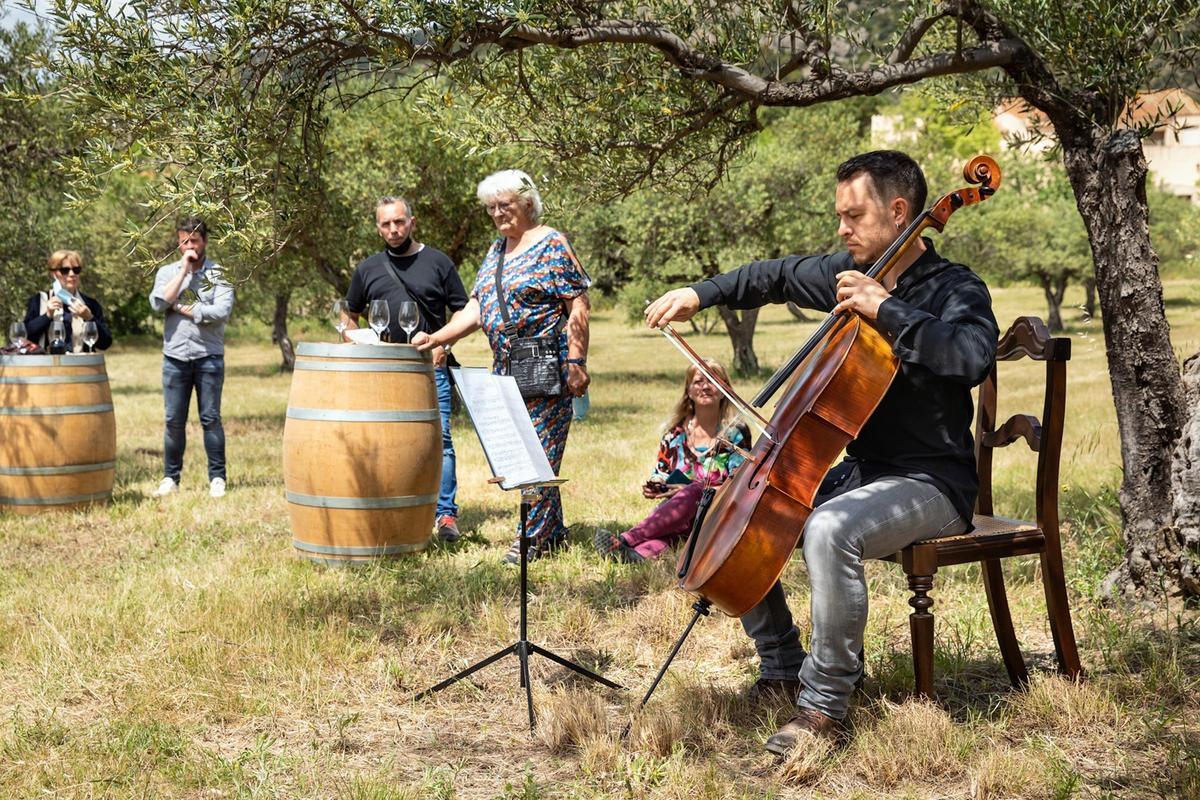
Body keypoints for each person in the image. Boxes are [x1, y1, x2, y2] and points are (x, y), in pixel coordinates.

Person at [644, 150, 999, 754]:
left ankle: (826, 704)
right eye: (840, 216)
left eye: (853, 215)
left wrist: (885, 308)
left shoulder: (954, 287)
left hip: (932, 481)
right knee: (726, 504)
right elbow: (775, 275)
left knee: (830, 528)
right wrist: (699, 294)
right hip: (864, 471)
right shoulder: (846, 271)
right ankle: (782, 662)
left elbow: (971, 357)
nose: (842, 228)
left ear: (898, 211)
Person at [414, 169, 591, 564]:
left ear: (527, 203)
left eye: (504, 205)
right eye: (491, 208)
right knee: (521, 454)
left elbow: (577, 305)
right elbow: (477, 308)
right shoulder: (497, 251)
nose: (497, 213)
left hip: (547, 364)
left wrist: (577, 361)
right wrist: (438, 338)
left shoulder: (551, 243)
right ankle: (554, 534)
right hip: (505, 369)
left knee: (537, 457)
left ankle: (529, 539)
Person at [341, 196, 471, 542]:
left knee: (439, 441)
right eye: (386, 224)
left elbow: (462, 311)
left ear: (411, 222)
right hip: (381, 371)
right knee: (380, 440)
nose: (393, 229)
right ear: (378, 227)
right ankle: (390, 508)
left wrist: (445, 344)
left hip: (430, 368)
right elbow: (349, 311)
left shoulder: (438, 262)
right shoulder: (368, 268)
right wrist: (351, 339)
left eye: (399, 222)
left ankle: (445, 517)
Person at [593, 358, 748, 563]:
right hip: (675, 517)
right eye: (698, 381)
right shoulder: (674, 435)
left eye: (712, 380)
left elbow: (740, 486)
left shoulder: (735, 434)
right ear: (689, 391)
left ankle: (627, 538)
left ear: (724, 390)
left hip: (715, 515)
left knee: (694, 491)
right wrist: (656, 485)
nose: (705, 386)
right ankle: (633, 556)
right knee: (670, 537)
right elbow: (661, 472)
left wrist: (690, 491)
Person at [148, 217, 235, 498]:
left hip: (208, 356)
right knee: (174, 420)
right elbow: (159, 303)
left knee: (210, 418)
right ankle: (170, 478)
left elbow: (220, 311)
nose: (190, 246)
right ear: (178, 242)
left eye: (194, 241)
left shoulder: (219, 274)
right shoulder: (167, 272)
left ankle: (217, 478)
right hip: (174, 357)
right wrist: (184, 270)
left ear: (205, 242)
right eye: (184, 241)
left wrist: (185, 308)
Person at [24, 250, 113, 352]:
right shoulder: (40, 300)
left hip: (82, 366)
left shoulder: (90, 304)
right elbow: (25, 337)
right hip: (47, 366)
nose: (72, 274)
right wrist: (47, 316)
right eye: (65, 270)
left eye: (76, 270)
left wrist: (89, 318)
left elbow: (105, 343)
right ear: (54, 273)